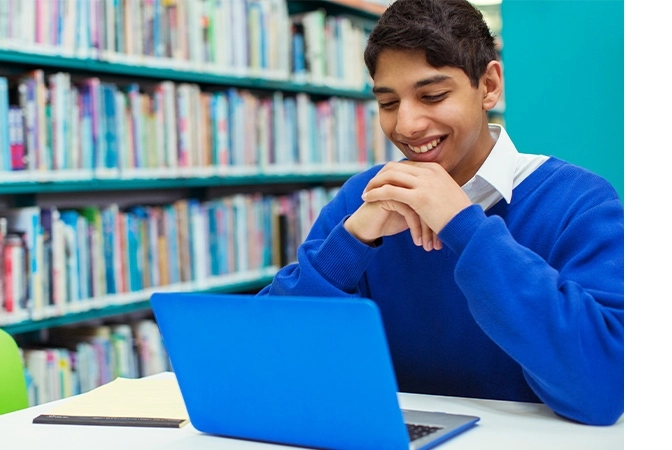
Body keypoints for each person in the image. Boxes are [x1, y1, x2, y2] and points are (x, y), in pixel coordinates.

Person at [257, 0, 624, 426]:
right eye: (389, 103)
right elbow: (270, 357)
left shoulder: (581, 202)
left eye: (432, 95)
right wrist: (352, 239)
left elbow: (603, 389)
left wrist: (464, 226)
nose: (407, 125)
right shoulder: (364, 197)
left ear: (488, 85)